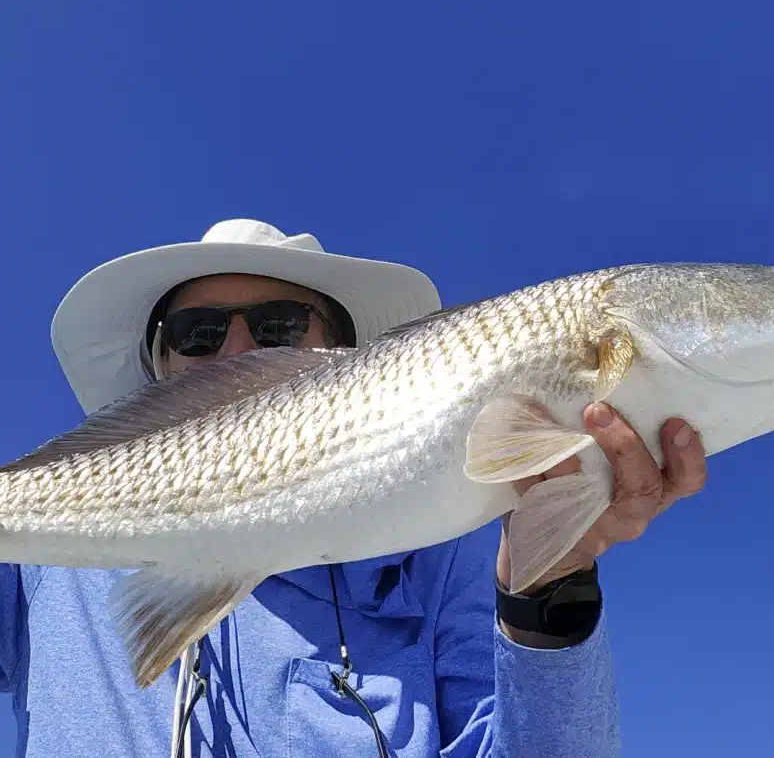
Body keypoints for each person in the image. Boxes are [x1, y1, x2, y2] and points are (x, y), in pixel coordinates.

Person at [0, 218, 708, 757]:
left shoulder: (445, 557)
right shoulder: (37, 570)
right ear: (156, 369)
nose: (238, 353)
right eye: (197, 333)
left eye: (279, 328)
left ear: (349, 362)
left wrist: (546, 601)